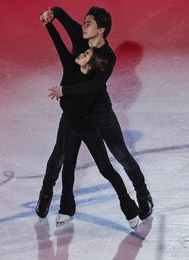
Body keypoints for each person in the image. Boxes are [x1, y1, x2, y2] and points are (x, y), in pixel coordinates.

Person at [36, 6, 154, 224]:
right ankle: (45, 193)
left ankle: (142, 193)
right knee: (59, 155)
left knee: (120, 155)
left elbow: (95, 85)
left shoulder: (107, 56)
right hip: (74, 110)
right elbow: (64, 17)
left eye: (88, 24)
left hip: (100, 113)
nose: (82, 26)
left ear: (100, 30)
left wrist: (65, 91)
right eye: (84, 22)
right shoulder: (81, 35)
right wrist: (52, 13)